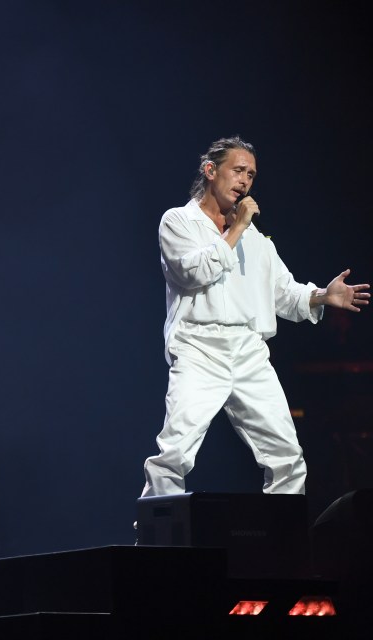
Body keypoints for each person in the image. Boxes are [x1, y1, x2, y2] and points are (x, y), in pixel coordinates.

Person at [140, 136, 369, 498]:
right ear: (211, 171)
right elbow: (193, 273)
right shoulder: (179, 222)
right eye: (238, 170)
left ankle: (282, 544)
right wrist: (238, 228)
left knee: (287, 457)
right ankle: (156, 545)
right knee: (175, 453)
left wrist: (324, 295)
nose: (245, 181)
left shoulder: (257, 241)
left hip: (249, 351)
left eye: (251, 174)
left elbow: (284, 294)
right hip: (200, 349)